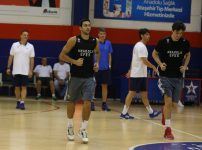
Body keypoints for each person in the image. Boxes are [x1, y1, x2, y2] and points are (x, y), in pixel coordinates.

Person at [59, 18, 100, 143]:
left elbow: (97, 53)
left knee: (88, 103)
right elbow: (62, 55)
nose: (88, 27)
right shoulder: (74, 40)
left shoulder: (95, 41)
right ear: (80, 28)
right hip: (75, 76)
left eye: (89, 25)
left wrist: (96, 63)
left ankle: (83, 129)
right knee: (72, 103)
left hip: (89, 77)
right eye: (85, 25)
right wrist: (74, 62)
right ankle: (70, 126)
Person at [152, 21, 191, 140]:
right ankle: (167, 130)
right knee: (168, 103)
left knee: (173, 105)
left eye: (181, 33)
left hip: (178, 77)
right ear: (172, 30)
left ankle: (165, 110)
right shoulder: (163, 42)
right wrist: (160, 64)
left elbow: (188, 55)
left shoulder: (185, 43)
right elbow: (154, 53)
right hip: (165, 76)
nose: (178, 35)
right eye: (177, 33)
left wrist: (184, 66)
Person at [120, 28, 161, 119]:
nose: (149, 36)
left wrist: (130, 70)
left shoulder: (139, 45)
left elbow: (133, 60)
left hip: (141, 74)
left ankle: (151, 112)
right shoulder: (141, 46)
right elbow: (145, 61)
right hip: (138, 74)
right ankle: (124, 113)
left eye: (149, 34)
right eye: (146, 34)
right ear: (141, 35)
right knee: (131, 93)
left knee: (144, 94)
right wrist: (154, 67)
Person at [7, 30, 35, 110]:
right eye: (24, 35)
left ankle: (22, 103)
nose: (26, 36)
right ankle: (18, 101)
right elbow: (11, 57)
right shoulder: (14, 45)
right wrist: (8, 68)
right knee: (16, 87)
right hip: (16, 70)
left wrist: (30, 70)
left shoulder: (31, 46)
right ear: (21, 36)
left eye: (27, 35)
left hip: (25, 71)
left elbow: (32, 60)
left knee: (24, 87)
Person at [91, 28, 113, 111]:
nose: (103, 35)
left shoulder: (108, 43)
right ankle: (91, 103)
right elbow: (92, 55)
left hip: (105, 68)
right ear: (98, 34)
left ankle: (104, 104)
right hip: (96, 68)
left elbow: (109, 55)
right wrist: (93, 64)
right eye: (101, 33)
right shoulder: (94, 43)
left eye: (104, 33)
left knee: (105, 86)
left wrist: (109, 66)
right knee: (93, 85)